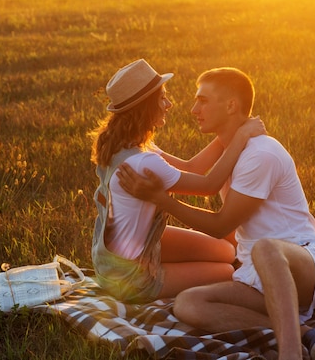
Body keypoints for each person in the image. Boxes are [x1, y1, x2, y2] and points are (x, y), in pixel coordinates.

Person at [117, 67, 315, 360]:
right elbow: (191, 169)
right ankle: (304, 335)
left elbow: (221, 225)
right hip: (256, 275)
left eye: (203, 100)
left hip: (303, 262)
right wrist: (133, 147)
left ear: (231, 105)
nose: (194, 109)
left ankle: (290, 356)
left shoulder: (261, 154)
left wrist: (161, 199)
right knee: (188, 304)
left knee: (265, 248)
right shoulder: (230, 146)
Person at [89, 59, 265, 303]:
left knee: (226, 250)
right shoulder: (144, 162)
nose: (169, 104)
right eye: (162, 99)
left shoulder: (125, 145)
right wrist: (242, 135)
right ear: (145, 107)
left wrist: (230, 127)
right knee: (226, 270)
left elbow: (192, 167)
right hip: (132, 279)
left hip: (113, 261)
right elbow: (208, 186)